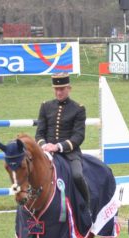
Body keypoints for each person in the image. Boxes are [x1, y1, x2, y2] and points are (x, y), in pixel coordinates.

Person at [35, 73, 90, 206]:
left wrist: (58, 146)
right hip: (46, 151)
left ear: (69, 88)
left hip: (70, 153)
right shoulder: (45, 106)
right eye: (56, 89)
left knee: (77, 175)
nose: (59, 92)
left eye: (62, 89)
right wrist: (44, 145)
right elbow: (39, 134)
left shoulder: (78, 109)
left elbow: (78, 136)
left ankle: (87, 205)